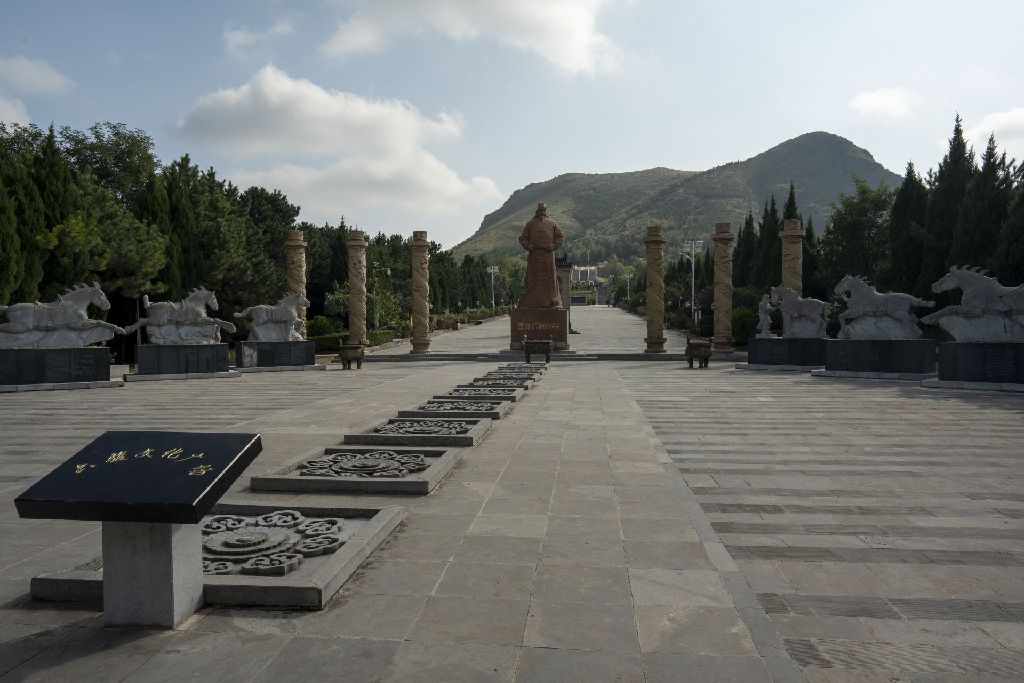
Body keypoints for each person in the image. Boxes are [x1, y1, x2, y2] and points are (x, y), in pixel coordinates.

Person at [518, 203, 565, 308]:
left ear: (546, 211)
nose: (542, 211)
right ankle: (532, 300)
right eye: (540, 209)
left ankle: (552, 299)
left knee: (550, 277)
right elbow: (522, 239)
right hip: (535, 255)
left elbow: (561, 236)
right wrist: (528, 246)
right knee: (534, 277)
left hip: (548, 254)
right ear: (537, 211)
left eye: (544, 209)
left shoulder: (552, 223)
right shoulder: (530, 224)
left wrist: (554, 245)